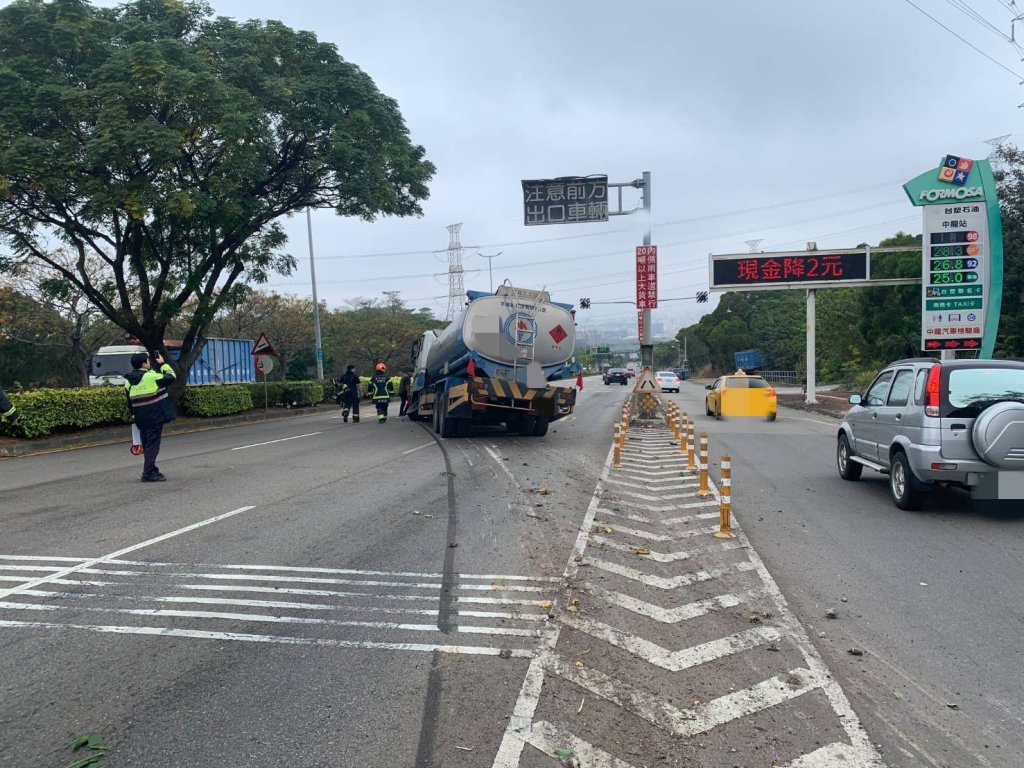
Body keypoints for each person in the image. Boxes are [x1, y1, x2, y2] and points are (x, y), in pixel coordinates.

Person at [124, 351, 176, 482]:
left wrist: (134, 417)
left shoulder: (128, 382)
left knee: (147, 444)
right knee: (153, 445)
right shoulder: (151, 376)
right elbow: (171, 377)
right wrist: (162, 364)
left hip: (140, 418)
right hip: (155, 416)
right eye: (148, 360)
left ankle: (152, 469)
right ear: (144, 364)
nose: (149, 362)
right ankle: (147, 473)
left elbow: (129, 402)